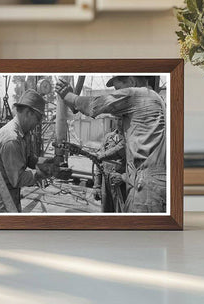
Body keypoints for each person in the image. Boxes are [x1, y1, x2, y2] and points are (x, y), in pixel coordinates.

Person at [55, 76, 166, 213]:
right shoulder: (157, 101)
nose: (117, 94)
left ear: (132, 82)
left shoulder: (139, 94)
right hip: (150, 185)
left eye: (118, 89)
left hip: (145, 190)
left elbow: (93, 106)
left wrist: (68, 95)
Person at [0, 89, 55, 212]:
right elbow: (17, 179)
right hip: (0, 199)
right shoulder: (11, 140)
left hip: (10, 193)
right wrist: (42, 173)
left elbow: (29, 159)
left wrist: (46, 162)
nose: (39, 123)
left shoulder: (23, 133)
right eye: (38, 118)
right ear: (28, 112)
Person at [93, 119, 126, 212]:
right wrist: (97, 186)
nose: (120, 122)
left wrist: (124, 177)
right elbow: (99, 163)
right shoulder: (108, 137)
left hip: (121, 184)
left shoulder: (130, 139)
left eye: (123, 118)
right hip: (105, 183)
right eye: (117, 118)